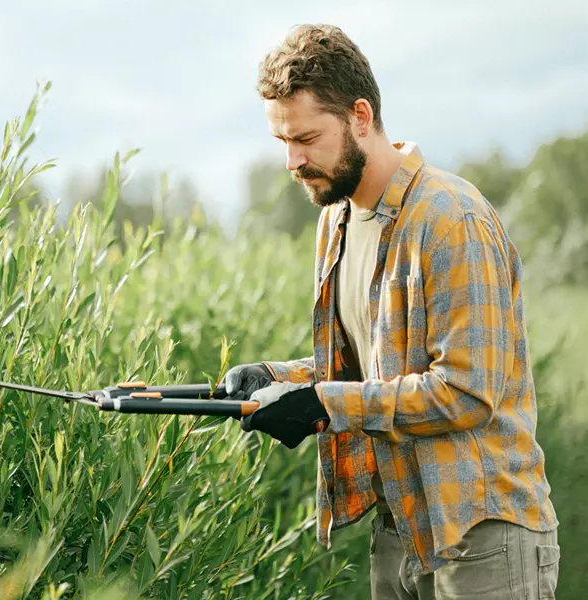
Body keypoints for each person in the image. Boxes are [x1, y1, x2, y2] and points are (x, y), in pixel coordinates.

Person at [224, 24, 560, 599]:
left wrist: (323, 404)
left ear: (360, 115)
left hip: (483, 538)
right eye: (282, 141)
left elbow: (466, 391)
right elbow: (374, 365)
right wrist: (280, 379)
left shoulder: (452, 219)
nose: (291, 161)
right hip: (400, 530)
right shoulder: (335, 220)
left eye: (305, 138)